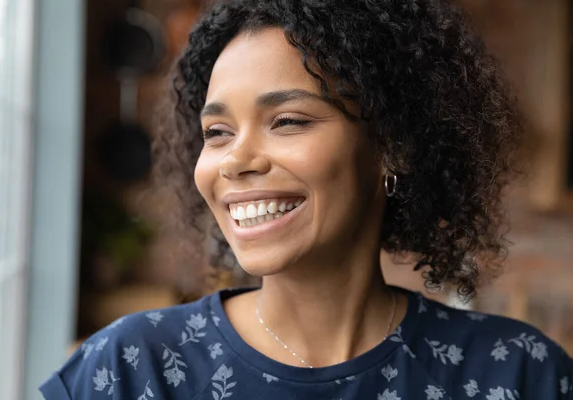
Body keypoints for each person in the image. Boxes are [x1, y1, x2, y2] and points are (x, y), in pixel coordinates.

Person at [40, 0, 573, 398]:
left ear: (394, 148)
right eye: (218, 132)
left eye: (287, 121)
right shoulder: (129, 371)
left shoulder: (520, 374)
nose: (235, 160)